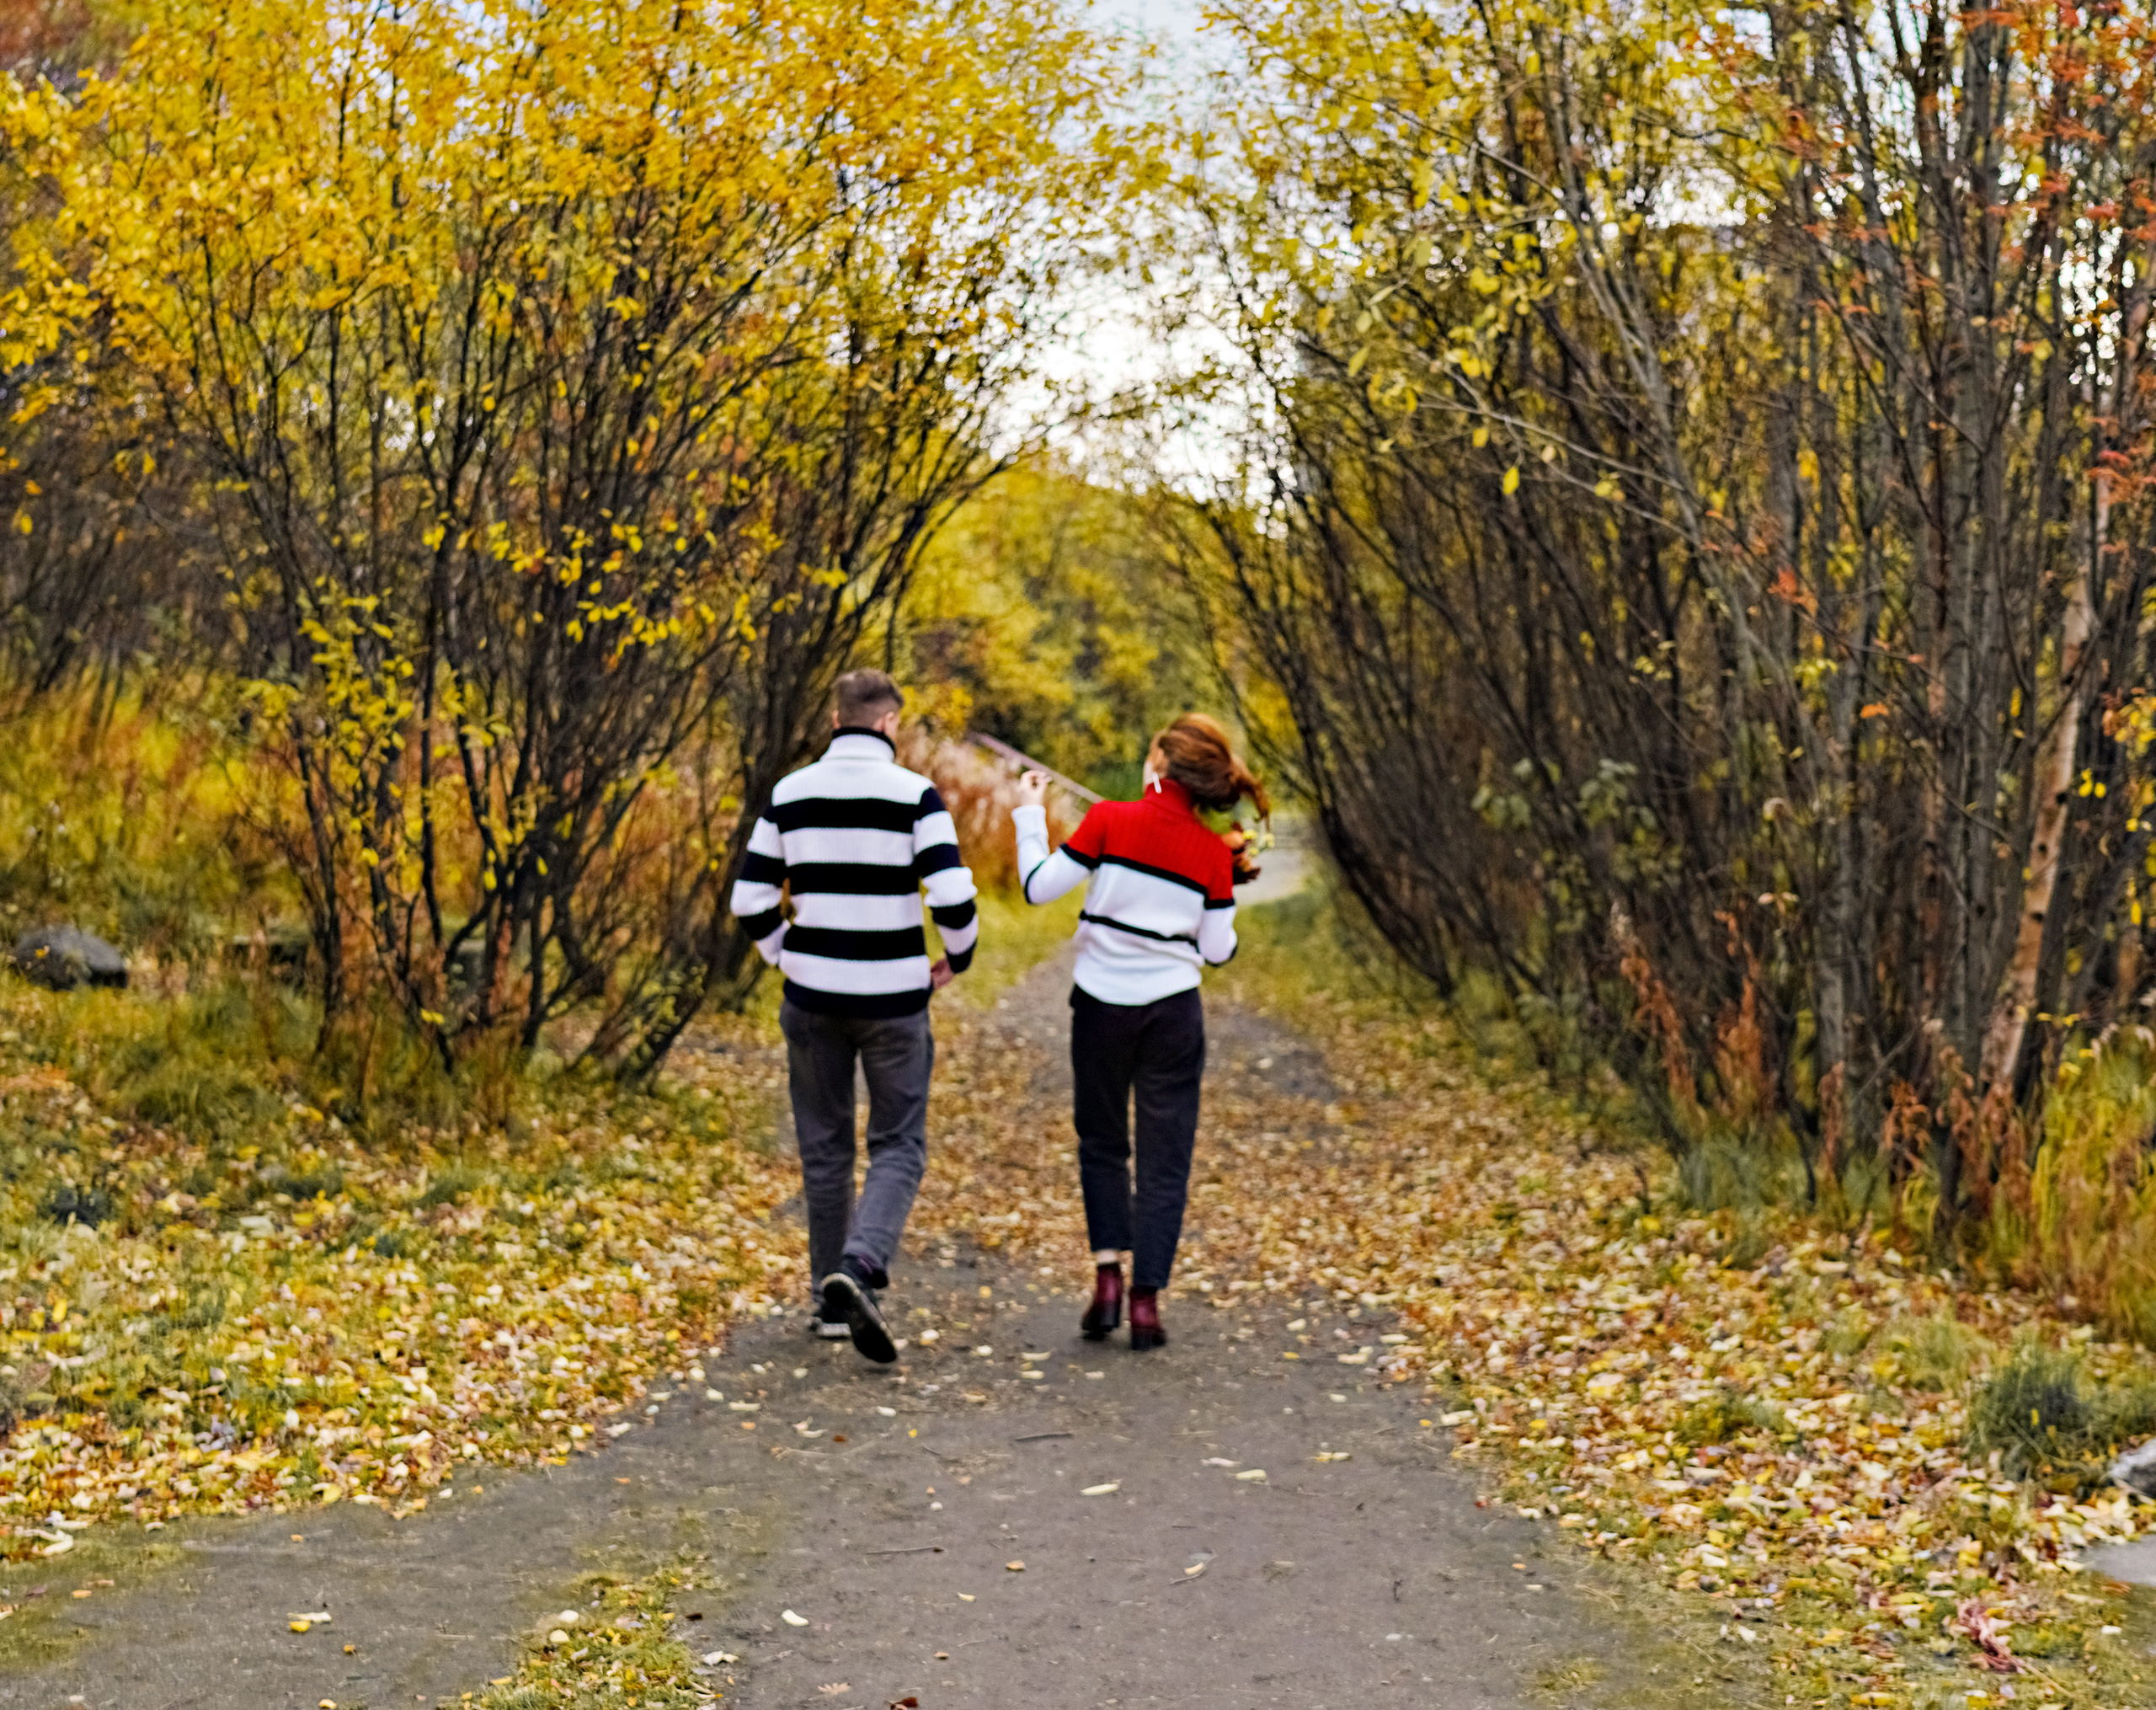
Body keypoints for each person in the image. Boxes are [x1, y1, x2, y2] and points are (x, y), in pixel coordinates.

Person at [730, 669, 979, 1363]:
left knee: (825, 1145)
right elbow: (954, 898)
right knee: (898, 1142)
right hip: (896, 1001)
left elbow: (749, 900)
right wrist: (956, 958)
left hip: (812, 1001)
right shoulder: (915, 795)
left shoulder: (789, 793)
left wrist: (788, 956)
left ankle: (829, 1305)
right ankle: (861, 1265)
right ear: (890, 725)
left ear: (836, 720)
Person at [1011, 713, 1268, 1350]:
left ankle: (1106, 1279)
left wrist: (1028, 814)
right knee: (1165, 1154)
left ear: (1159, 763)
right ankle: (1146, 1301)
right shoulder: (1212, 854)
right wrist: (1223, 884)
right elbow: (1217, 951)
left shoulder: (1109, 822)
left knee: (1101, 1141)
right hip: (1173, 1014)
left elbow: (1039, 888)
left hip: (1101, 1005)